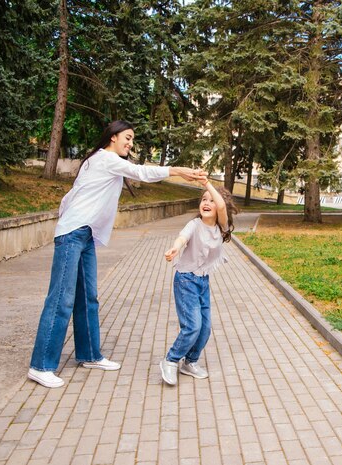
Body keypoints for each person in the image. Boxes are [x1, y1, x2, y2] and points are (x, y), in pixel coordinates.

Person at [28, 120, 207, 388]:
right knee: (61, 299)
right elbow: (141, 172)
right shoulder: (104, 159)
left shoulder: (101, 162)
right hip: (73, 234)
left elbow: (70, 197)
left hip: (83, 234)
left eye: (132, 139)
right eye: (128, 137)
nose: (130, 143)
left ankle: (89, 355)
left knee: (88, 298)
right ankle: (41, 365)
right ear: (112, 137)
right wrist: (179, 171)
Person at [160, 179, 238, 385]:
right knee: (192, 326)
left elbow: (221, 205)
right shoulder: (194, 225)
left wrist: (207, 183)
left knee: (205, 329)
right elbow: (182, 237)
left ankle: (190, 362)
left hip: (203, 281)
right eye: (204, 199)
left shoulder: (222, 227)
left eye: (211, 201)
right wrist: (175, 248)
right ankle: (170, 360)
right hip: (185, 280)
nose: (206, 202)